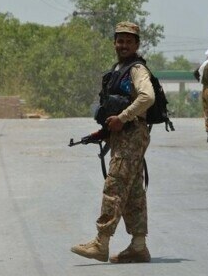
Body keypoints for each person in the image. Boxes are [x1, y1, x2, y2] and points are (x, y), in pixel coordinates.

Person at [70, 22, 154, 264]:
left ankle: (101, 242)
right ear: (114, 43)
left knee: (114, 187)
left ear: (136, 44)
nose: (123, 45)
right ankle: (138, 246)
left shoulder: (137, 69)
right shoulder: (118, 70)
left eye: (129, 41)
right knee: (134, 191)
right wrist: (105, 132)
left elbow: (147, 97)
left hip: (132, 135)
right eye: (120, 41)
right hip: (123, 136)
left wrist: (122, 118)